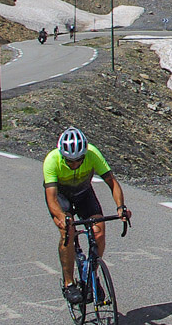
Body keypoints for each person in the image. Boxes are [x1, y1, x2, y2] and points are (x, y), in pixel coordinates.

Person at [43, 127, 129, 304]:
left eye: (78, 160)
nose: (74, 164)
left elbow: (112, 182)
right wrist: (62, 217)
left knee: (99, 231)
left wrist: (120, 207)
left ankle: (92, 275)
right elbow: (51, 198)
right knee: (67, 231)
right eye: (70, 161)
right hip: (61, 197)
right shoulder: (51, 160)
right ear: (62, 155)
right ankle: (69, 284)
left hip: (83, 193)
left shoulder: (92, 154)